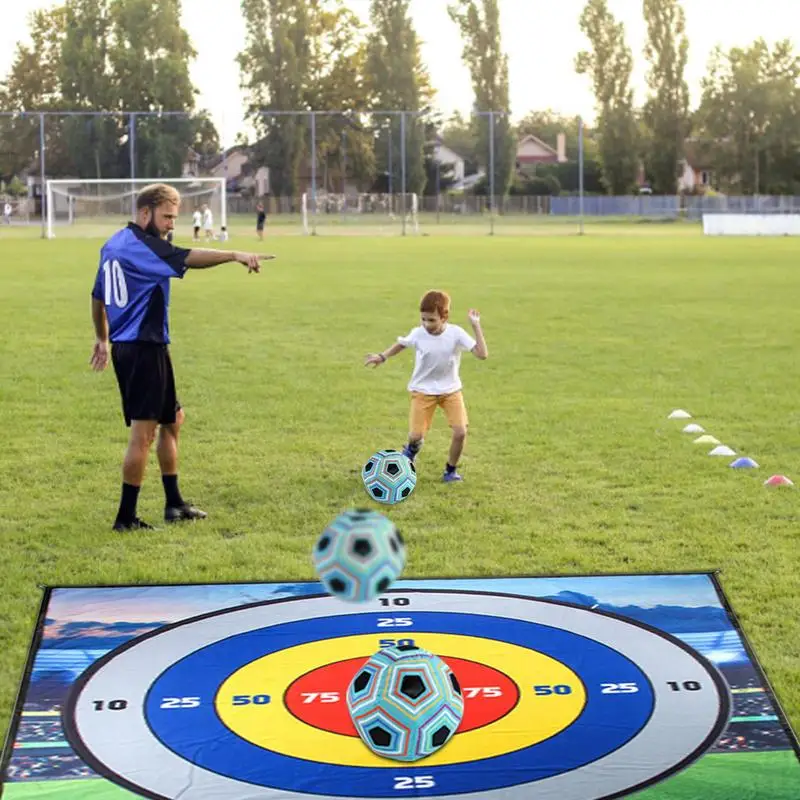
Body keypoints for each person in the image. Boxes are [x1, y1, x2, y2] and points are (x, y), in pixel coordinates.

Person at [89, 183, 277, 531]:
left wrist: (102, 338)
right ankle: (125, 518)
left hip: (143, 346)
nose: (170, 225)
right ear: (145, 213)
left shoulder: (113, 244)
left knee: (173, 421)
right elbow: (188, 257)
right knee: (142, 435)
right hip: (142, 348)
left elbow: (97, 295)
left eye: (174, 218)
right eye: (166, 217)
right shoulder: (143, 246)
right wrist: (234, 255)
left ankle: (174, 504)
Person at [364, 290, 488, 483]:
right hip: (423, 391)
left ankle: (450, 471)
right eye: (423, 319)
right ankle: (412, 448)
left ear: (444, 316)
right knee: (415, 435)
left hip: (451, 391)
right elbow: (402, 344)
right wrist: (382, 356)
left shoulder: (456, 333)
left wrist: (476, 325)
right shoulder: (419, 333)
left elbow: (482, 354)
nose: (426, 325)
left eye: (431, 320)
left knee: (461, 432)